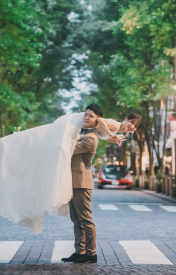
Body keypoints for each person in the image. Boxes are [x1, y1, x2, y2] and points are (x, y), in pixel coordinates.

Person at [0, 106, 140, 239]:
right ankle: (82, 252)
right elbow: (100, 123)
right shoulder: (115, 125)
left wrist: (112, 139)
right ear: (126, 119)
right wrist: (113, 136)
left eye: (134, 126)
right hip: (69, 125)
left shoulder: (103, 133)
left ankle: (87, 252)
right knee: (48, 141)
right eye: (131, 123)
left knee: (45, 139)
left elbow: (99, 131)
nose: (131, 127)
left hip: (80, 169)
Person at [62, 104, 102, 264]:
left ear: (97, 121)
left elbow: (68, 148)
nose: (86, 117)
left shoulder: (91, 139)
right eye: (86, 114)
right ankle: (80, 251)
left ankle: (91, 253)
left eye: (91, 116)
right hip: (72, 182)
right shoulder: (81, 134)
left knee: (85, 219)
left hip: (82, 183)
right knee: (76, 219)